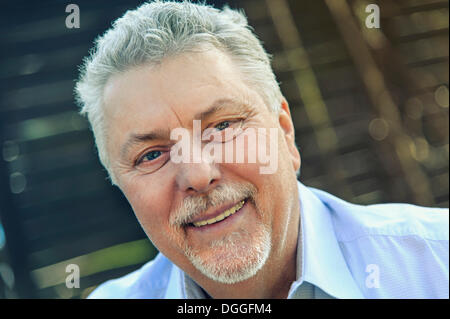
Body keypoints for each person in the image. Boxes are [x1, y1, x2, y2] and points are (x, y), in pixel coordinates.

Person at [75, 0, 449, 299]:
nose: (198, 174)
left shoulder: (437, 264)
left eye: (222, 127)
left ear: (285, 133)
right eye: (152, 155)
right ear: (121, 188)